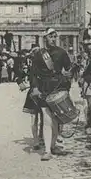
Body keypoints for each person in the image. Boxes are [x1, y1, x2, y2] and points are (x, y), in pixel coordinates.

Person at [29, 28, 72, 161]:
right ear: (45, 38)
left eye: (54, 36)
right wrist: (35, 87)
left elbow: (69, 69)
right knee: (47, 120)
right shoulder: (38, 55)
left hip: (58, 88)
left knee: (56, 120)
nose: (53, 39)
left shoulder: (62, 52)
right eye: (50, 36)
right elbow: (33, 73)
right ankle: (47, 150)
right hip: (44, 88)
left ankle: (52, 145)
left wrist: (67, 77)